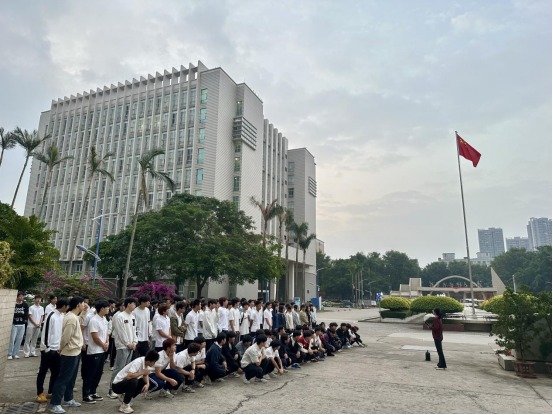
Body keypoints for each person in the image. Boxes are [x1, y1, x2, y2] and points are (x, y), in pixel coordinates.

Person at [49, 297, 86, 414]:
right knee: (63, 379)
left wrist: (85, 311)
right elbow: (66, 336)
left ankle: (68, 399)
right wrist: (61, 348)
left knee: (71, 378)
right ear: (78, 304)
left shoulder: (74, 317)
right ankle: (55, 404)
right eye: (83, 303)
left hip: (75, 351)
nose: (84, 305)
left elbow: (81, 320)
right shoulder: (70, 318)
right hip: (69, 352)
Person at [36, 299, 69, 404]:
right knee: (43, 371)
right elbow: (46, 332)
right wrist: (47, 347)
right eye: (67, 306)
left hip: (57, 349)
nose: (68, 308)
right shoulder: (51, 316)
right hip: (48, 349)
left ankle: (51, 391)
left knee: (56, 371)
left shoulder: (62, 316)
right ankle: (40, 393)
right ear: (64, 306)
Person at [108, 298, 138, 400]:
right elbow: (121, 332)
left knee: (125, 368)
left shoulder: (132, 316)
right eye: (134, 304)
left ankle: (121, 388)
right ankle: (111, 389)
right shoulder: (120, 316)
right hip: (122, 346)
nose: (135, 305)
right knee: (118, 368)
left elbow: (134, 330)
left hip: (131, 346)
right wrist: (127, 343)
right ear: (128, 304)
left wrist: (134, 342)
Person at [82, 300, 110, 404]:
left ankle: (93, 391)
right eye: (107, 307)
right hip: (94, 351)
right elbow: (95, 337)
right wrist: (103, 345)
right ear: (102, 309)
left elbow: (106, 333)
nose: (108, 309)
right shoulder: (94, 320)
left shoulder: (104, 319)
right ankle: (86, 394)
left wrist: (107, 342)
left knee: (98, 372)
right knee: (90, 373)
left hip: (102, 350)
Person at [8, 292, 29, 360]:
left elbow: (26, 314)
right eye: (20, 296)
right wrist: (21, 314)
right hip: (14, 324)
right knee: (12, 339)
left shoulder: (25, 305)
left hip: (22, 324)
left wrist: (21, 314)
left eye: (22, 296)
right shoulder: (14, 304)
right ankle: (9, 354)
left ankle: (15, 354)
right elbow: (12, 315)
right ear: (17, 297)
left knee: (19, 339)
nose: (21, 297)